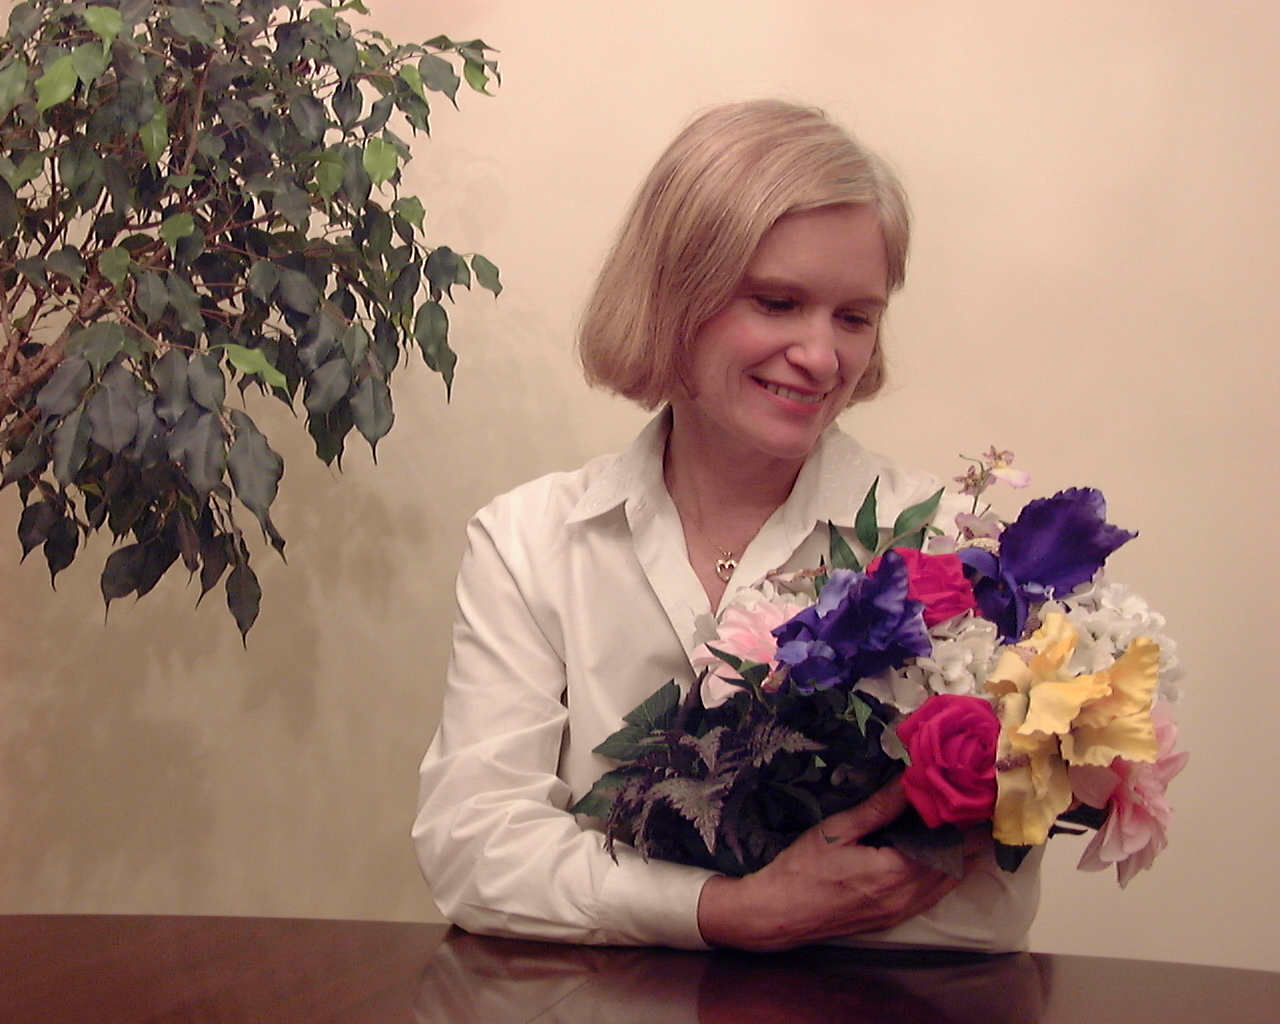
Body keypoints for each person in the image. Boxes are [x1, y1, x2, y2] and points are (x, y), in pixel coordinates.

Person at [413, 99, 1040, 952]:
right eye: (778, 303)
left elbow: (984, 904)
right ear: (673, 297)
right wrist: (727, 912)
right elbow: (474, 846)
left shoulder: (950, 550)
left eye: (854, 317)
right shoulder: (529, 543)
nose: (821, 356)